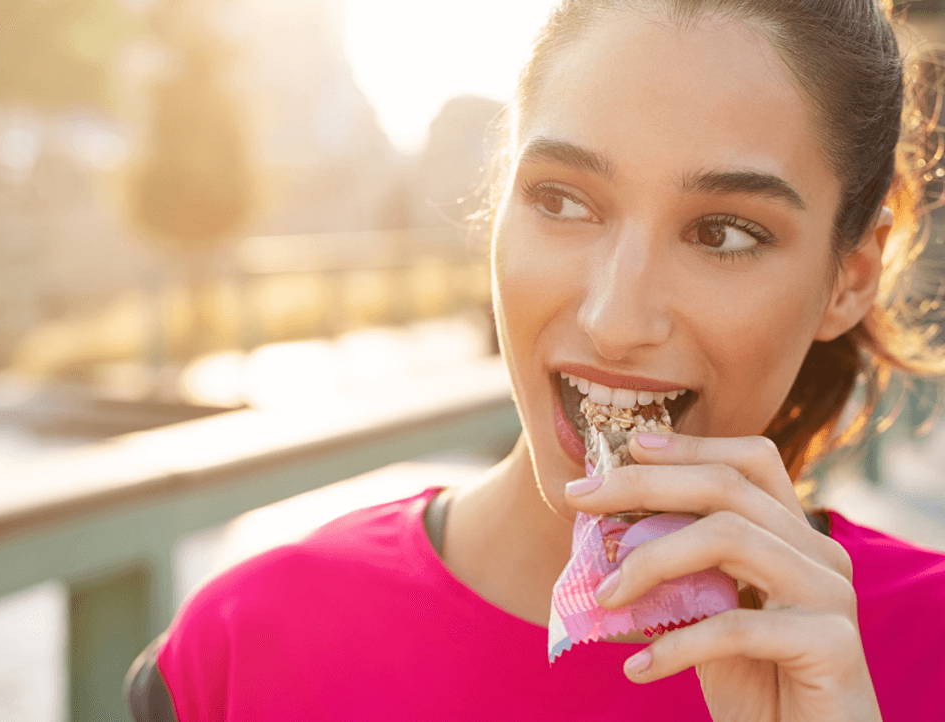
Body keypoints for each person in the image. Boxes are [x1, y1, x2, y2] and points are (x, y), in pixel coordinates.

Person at [127, 1, 945, 719]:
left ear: (850, 279)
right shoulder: (244, 648)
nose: (614, 319)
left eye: (723, 233)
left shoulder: (926, 647)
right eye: (563, 200)